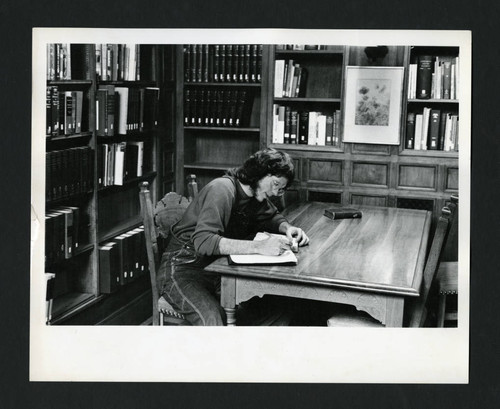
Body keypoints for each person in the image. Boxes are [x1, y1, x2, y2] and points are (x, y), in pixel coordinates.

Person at [159, 148, 309, 326]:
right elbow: (204, 242)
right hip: (183, 269)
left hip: (217, 268)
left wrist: (288, 228)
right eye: (276, 184)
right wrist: (260, 248)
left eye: (282, 189)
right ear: (259, 173)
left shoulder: (255, 194)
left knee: (275, 307)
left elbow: (271, 216)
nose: (277, 193)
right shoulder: (222, 188)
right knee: (213, 320)